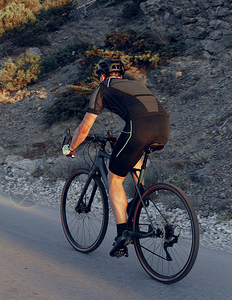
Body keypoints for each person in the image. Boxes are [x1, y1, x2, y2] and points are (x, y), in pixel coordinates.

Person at [62, 57, 170, 257]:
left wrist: (70, 147)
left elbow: (84, 128)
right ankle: (140, 199)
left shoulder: (103, 88)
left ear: (102, 75)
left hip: (140, 127)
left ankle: (122, 235)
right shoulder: (135, 84)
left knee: (114, 179)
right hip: (163, 126)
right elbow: (141, 113)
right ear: (121, 75)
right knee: (133, 152)